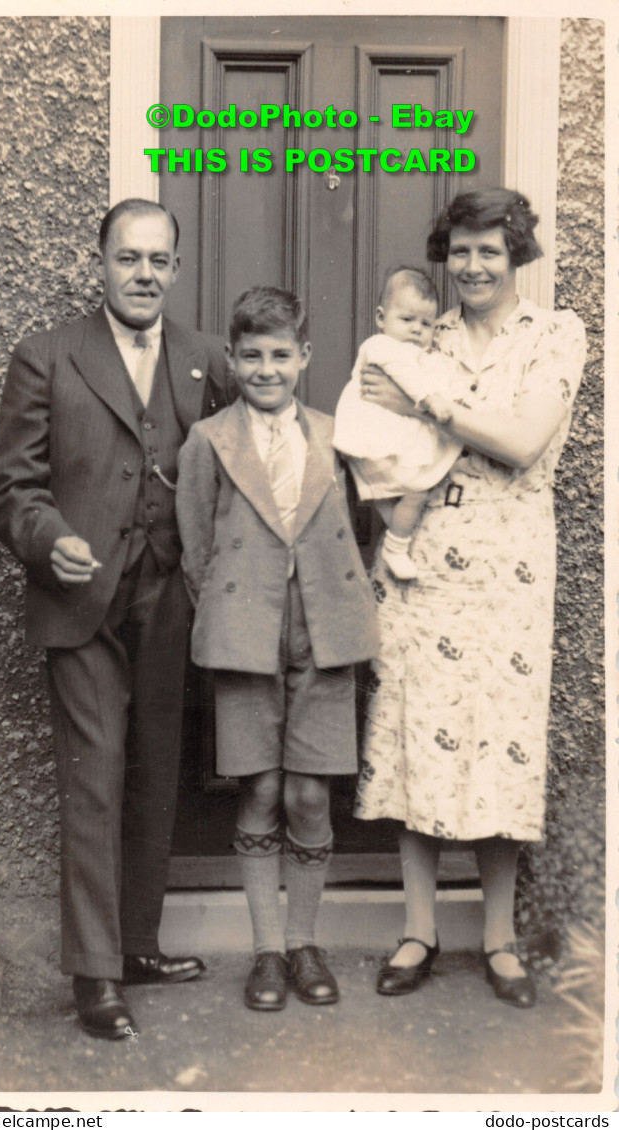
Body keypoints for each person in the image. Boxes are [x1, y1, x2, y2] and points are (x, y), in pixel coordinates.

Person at [0, 199, 230, 1039]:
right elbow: (11, 489)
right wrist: (48, 540)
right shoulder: (47, 356)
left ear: (176, 269)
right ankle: (95, 976)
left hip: (170, 600)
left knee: (155, 772)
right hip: (81, 602)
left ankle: (137, 944)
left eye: (158, 261)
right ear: (99, 262)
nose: (143, 275)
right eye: (128, 258)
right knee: (94, 780)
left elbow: (243, 464)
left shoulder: (205, 359)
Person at [354, 188, 586, 1008]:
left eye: (491, 249)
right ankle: (418, 930)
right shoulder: (425, 335)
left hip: (514, 566)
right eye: (460, 250)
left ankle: (498, 938)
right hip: (426, 560)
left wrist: (431, 403)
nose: (474, 265)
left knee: (503, 736)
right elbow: (375, 426)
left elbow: (524, 442)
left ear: (518, 251)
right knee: (420, 732)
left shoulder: (556, 333)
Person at [176, 286, 378, 1011]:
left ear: (305, 357)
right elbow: (196, 549)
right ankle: (265, 951)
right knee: (260, 788)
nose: (267, 369)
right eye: (252, 356)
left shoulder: (334, 435)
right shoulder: (209, 442)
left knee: (308, 792)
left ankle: (303, 941)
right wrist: (237, 612)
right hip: (245, 634)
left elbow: (365, 526)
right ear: (231, 360)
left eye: (281, 355)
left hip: (325, 633)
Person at [333, 267, 462, 579]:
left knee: (406, 493)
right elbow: (405, 375)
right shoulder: (381, 346)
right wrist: (430, 398)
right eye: (407, 320)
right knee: (417, 486)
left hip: (390, 441)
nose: (417, 330)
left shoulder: (422, 355)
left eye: (426, 323)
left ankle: (398, 539)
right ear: (381, 318)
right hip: (374, 439)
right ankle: (397, 546)